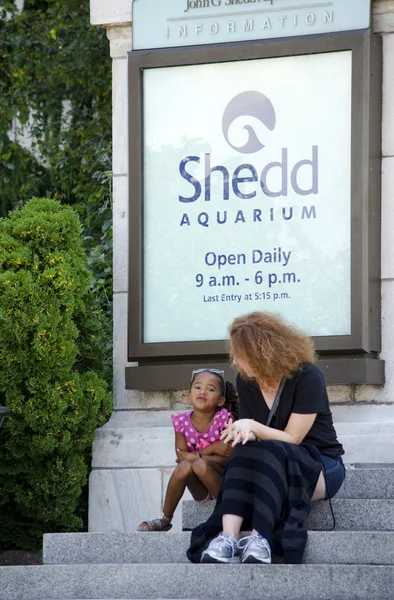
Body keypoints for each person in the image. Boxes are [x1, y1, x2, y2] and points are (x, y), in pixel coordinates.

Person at [187, 312, 345, 564]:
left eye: (241, 354)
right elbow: (256, 437)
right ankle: (228, 538)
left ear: (262, 352)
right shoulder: (246, 381)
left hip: (321, 465)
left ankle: (261, 538)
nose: (235, 361)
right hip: (270, 465)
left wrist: (253, 426)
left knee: (272, 450)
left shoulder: (308, 377)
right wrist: (241, 432)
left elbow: (293, 438)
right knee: (244, 449)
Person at [138, 368, 239, 532]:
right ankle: (165, 518)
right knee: (185, 467)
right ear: (189, 395)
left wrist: (197, 458)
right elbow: (181, 458)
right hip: (199, 488)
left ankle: (224, 513)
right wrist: (212, 450)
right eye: (198, 387)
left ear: (220, 400)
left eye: (210, 389)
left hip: (222, 482)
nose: (203, 392)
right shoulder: (181, 422)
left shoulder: (224, 419)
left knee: (199, 465)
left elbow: (229, 458)